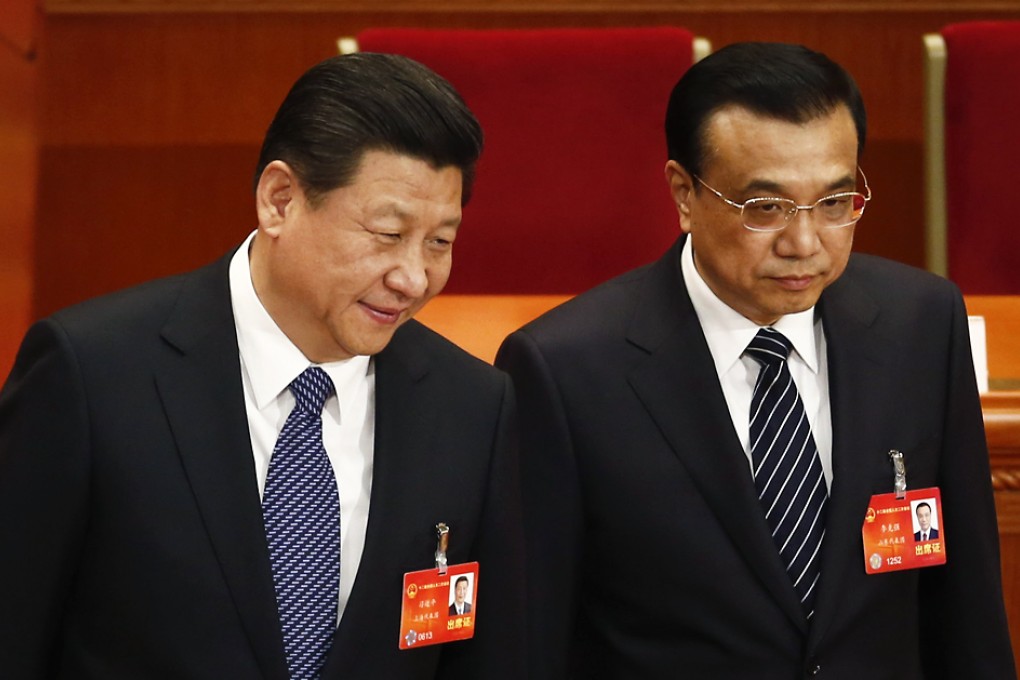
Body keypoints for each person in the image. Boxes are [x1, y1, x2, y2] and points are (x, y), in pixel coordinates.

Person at [496, 42, 1015, 678]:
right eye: (765, 208)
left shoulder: (922, 322)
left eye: (834, 203)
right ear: (684, 194)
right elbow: (535, 638)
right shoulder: (565, 369)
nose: (805, 243)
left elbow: (966, 606)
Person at [0, 53, 525, 679]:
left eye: (440, 242)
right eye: (387, 233)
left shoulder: (473, 406)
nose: (414, 277)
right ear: (280, 201)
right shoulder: (91, 373)